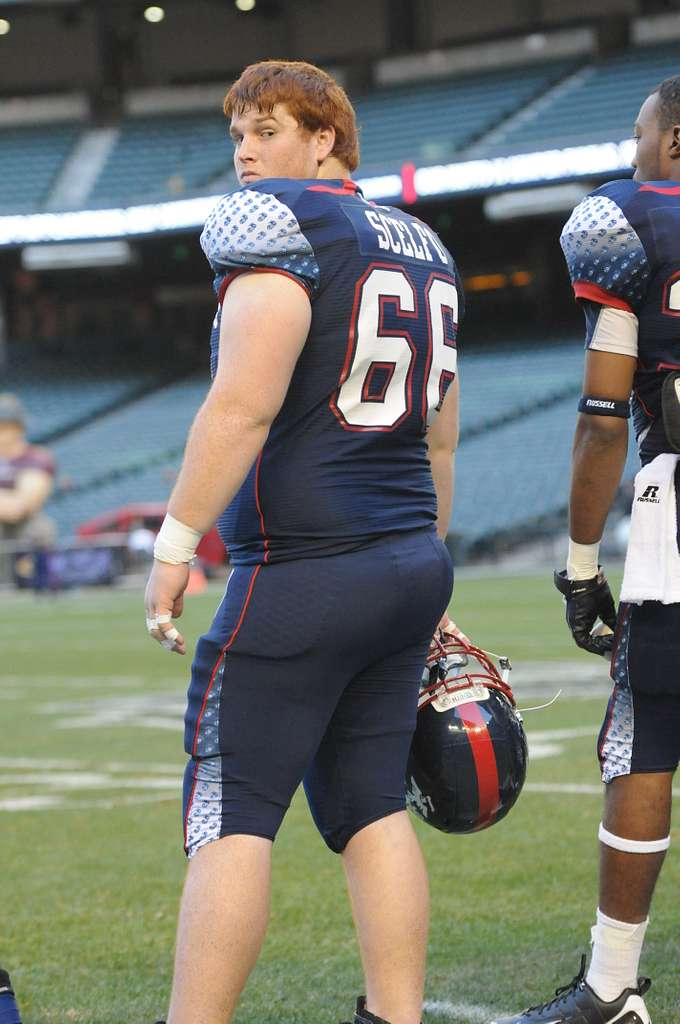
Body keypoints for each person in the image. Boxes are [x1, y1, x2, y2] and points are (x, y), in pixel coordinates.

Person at [144, 60, 461, 1024]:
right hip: (407, 555)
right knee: (370, 802)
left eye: (270, 129)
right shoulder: (427, 243)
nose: (247, 150)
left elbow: (241, 405)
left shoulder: (285, 223)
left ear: (325, 140)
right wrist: (423, 562)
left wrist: (174, 543)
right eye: (239, 130)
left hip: (306, 567)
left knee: (231, 808)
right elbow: (440, 434)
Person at [490, 76, 680, 1024]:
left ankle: (612, 986)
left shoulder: (630, 223)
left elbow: (605, 419)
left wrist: (578, 567)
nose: (631, 148)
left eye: (640, 132)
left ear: (675, 142)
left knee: (645, 737)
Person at [0, 393, 56, 587]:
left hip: (24, 529)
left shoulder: (36, 457)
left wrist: (11, 502)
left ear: (16, 428)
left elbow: (19, 508)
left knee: (40, 529)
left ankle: (37, 586)